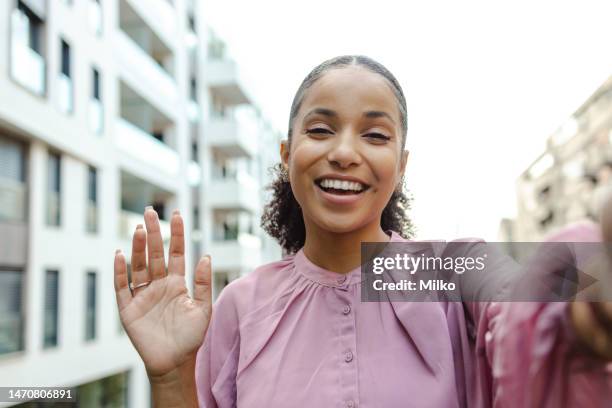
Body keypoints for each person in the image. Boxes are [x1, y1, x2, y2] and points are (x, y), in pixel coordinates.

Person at [114, 55, 612, 407]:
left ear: (401, 164)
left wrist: (585, 303)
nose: (345, 152)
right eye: (320, 129)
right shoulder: (241, 306)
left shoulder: (446, 270)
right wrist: (171, 375)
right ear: (287, 155)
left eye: (375, 135)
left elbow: (524, 293)